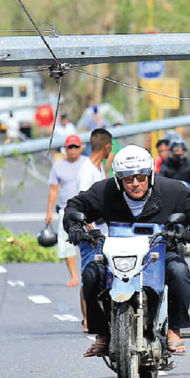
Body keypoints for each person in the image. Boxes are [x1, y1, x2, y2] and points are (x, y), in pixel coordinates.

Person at [64, 145, 190, 357]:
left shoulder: (172, 189)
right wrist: (75, 227)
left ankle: (174, 329)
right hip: (115, 255)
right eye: (128, 179)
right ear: (119, 180)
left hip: (159, 252)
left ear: (150, 175)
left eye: (141, 177)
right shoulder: (104, 191)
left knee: (180, 272)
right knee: (90, 275)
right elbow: (75, 206)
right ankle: (102, 334)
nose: (135, 183)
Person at [75, 128, 113, 332]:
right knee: (89, 277)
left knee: (102, 276)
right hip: (91, 235)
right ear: (106, 146)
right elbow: (83, 205)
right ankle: (88, 320)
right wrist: (91, 232)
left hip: (102, 231)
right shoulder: (86, 171)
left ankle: (99, 316)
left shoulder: (98, 170)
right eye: (111, 147)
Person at [45, 134, 86, 288]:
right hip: (65, 210)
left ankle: (87, 273)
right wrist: (49, 211)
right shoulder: (58, 166)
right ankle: (74, 276)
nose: (73, 150)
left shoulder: (87, 163)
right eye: (70, 147)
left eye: (76, 146)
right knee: (67, 244)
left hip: (86, 210)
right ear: (66, 149)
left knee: (90, 242)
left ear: (80, 148)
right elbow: (53, 189)